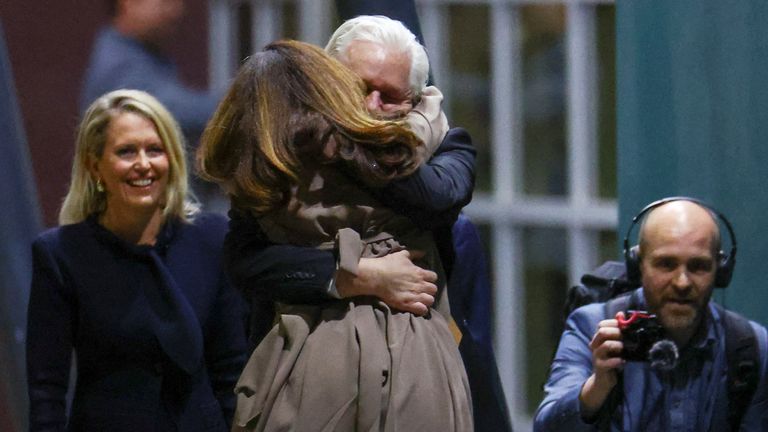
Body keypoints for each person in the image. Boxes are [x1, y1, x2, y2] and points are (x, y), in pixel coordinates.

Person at [225, 15, 511, 431]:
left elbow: (435, 199)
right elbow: (247, 262)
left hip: (418, 375)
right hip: (300, 378)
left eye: (390, 96)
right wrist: (356, 275)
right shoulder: (282, 159)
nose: (372, 107)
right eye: (359, 89)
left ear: (416, 100)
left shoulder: (446, 144)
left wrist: (346, 140)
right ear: (327, 83)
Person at [26, 89, 247, 431]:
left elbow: (232, 369)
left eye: (155, 150)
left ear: (172, 159)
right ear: (94, 166)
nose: (143, 164)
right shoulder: (60, 254)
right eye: (126, 152)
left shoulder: (212, 238)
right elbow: (46, 392)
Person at [534, 199, 768, 431]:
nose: (682, 283)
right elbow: (546, 427)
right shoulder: (591, 326)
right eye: (666, 264)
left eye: (698, 266)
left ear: (720, 271)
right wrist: (596, 388)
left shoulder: (749, 346)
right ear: (639, 266)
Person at [80, 0, 220, 143]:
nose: (176, 11)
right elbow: (175, 112)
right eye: (166, 2)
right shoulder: (119, 65)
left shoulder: (145, 53)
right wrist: (235, 103)